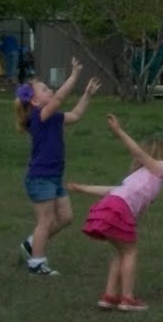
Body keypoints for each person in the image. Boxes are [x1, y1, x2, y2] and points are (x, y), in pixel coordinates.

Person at [66, 114, 163, 311]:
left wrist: (83, 188)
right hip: (118, 209)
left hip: (110, 206)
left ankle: (109, 296)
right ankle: (127, 298)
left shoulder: (138, 177)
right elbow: (139, 154)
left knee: (120, 252)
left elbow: (112, 191)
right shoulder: (162, 168)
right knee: (131, 251)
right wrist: (119, 132)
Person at [16, 60, 101, 276]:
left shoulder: (53, 117)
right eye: (45, 89)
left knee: (66, 217)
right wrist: (73, 76)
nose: (50, 91)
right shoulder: (39, 116)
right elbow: (59, 98)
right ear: (34, 101)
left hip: (54, 176)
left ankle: (31, 244)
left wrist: (87, 95)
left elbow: (76, 115)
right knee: (45, 221)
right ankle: (36, 263)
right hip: (40, 177)